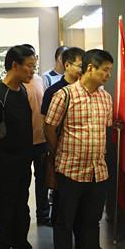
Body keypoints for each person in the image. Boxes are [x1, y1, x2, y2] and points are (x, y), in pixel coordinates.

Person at [45, 49, 114, 249]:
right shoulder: (64, 95)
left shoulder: (106, 98)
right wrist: (59, 153)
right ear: (90, 68)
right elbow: (49, 127)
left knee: (92, 219)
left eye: (110, 70)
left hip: (98, 170)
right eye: (105, 70)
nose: (108, 75)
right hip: (70, 169)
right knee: (65, 220)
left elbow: (105, 129)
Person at [0, 45, 53, 249]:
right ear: (14, 65)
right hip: (2, 170)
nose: (33, 71)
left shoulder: (21, 90)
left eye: (34, 66)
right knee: (2, 216)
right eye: (29, 66)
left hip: (22, 166)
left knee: (21, 213)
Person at [40, 47, 84, 225]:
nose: (82, 70)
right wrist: (56, 149)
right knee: (62, 202)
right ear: (67, 65)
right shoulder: (53, 91)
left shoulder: (87, 90)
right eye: (80, 66)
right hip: (61, 154)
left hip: (82, 157)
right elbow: (46, 124)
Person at [22, 44, 50, 226]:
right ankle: (22, 217)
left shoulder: (40, 80)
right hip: (24, 142)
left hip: (41, 140)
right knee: (23, 181)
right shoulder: (18, 83)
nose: (32, 67)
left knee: (43, 180)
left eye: (34, 62)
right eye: (29, 63)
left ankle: (43, 215)